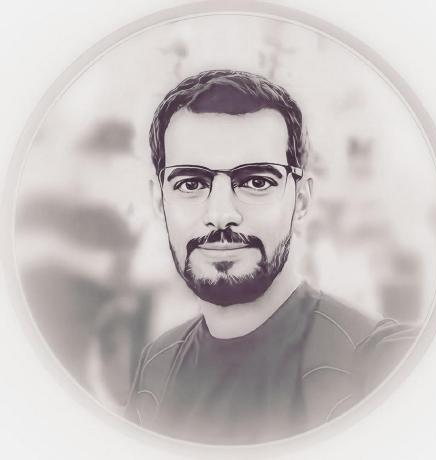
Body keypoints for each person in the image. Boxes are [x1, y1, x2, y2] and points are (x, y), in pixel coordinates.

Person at [125, 69, 416, 444]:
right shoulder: (155, 368)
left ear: (302, 200)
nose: (221, 214)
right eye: (191, 183)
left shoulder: (384, 363)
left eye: (256, 182)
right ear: (158, 200)